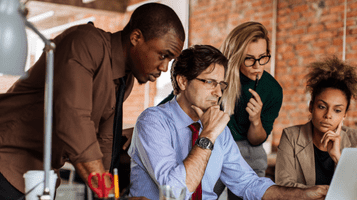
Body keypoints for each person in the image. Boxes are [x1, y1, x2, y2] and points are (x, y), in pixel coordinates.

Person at [0, 3, 184, 199]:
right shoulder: (85, 43)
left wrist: (111, 196)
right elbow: (73, 120)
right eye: (163, 55)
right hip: (6, 162)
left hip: (41, 177)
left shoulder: (124, 80)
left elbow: (104, 144)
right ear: (136, 37)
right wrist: (108, 195)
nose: (165, 67)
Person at [128, 45, 328, 200]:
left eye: (221, 84)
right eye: (209, 82)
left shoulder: (219, 130)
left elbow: (248, 184)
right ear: (182, 81)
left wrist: (303, 194)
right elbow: (174, 191)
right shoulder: (153, 122)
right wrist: (208, 135)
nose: (218, 92)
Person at [158, 22, 282, 199]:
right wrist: (148, 124)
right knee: (199, 191)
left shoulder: (273, 90)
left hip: (248, 149)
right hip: (214, 142)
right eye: (249, 58)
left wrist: (256, 120)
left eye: (263, 57)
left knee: (251, 190)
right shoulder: (217, 76)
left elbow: (257, 140)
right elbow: (179, 96)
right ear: (235, 55)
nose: (257, 66)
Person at [275, 56, 357, 200]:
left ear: (344, 115)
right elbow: (284, 188)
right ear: (311, 106)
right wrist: (331, 193)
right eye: (322, 107)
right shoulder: (291, 136)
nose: (328, 115)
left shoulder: (355, 139)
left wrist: (340, 159)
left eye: (337, 110)